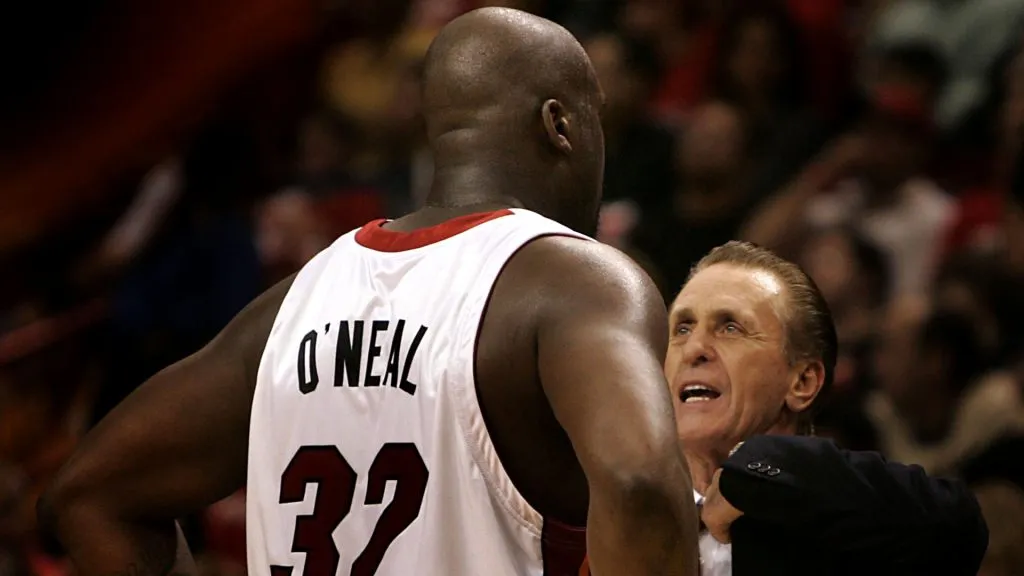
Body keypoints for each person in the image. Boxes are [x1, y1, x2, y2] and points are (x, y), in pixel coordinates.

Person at [38, 7, 700, 576]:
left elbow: (88, 494)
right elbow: (639, 482)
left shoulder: (295, 303)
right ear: (560, 125)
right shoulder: (577, 280)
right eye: (595, 120)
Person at [668, 240, 988, 575]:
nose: (694, 348)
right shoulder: (635, 521)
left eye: (730, 327)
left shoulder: (848, 528)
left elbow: (959, 529)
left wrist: (764, 465)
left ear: (802, 382)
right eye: (682, 328)